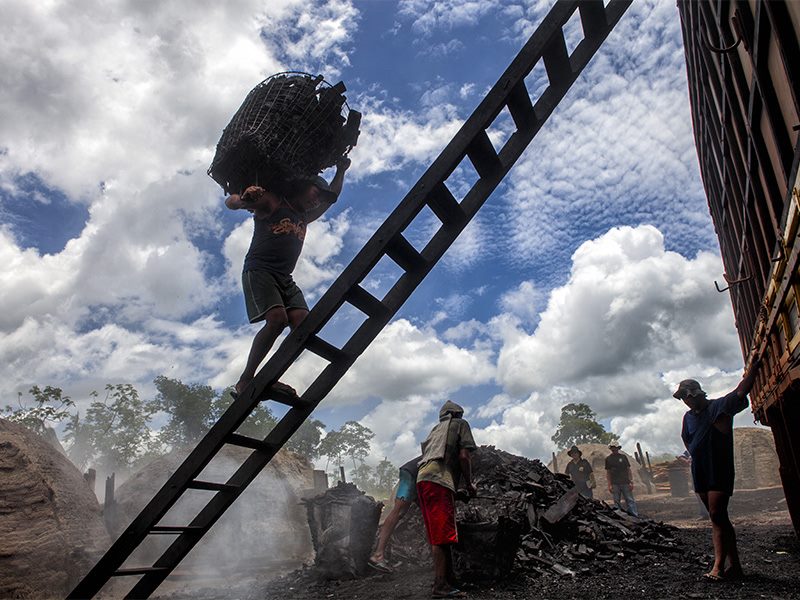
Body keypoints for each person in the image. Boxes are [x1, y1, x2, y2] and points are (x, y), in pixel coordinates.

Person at [225, 158, 351, 398]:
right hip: (260, 270)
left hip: (285, 277)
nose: (317, 199)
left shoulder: (306, 215)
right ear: (303, 187)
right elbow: (231, 202)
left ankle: (270, 379)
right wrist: (243, 198)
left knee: (304, 325)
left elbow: (332, 195)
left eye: (320, 197)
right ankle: (245, 381)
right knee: (277, 319)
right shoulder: (272, 203)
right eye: (316, 192)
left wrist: (341, 171)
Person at [674, 361, 760, 582]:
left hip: (718, 469)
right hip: (700, 469)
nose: (685, 402)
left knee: (717, 514)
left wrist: (755, 367)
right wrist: (694, 454)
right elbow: (686, 437)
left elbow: (742, 390)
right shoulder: (688, 417)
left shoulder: (719, 407)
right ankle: (736, 567)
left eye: (686, 397)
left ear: (694, 394)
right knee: (718, 518)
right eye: (683, 399)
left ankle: (718, 567)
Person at [417, 401, 477, 599]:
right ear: (457, 414)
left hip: (423, 479)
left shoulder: (435, 430)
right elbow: (464, 456)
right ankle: (440, 585)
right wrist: (469, 485)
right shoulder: (461, 424)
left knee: (437, 533)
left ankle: (449, 579)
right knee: (442, 536)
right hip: (438, 481)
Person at [367, 455, 422, 573]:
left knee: (399, 512)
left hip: (410, 472)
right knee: (398, 512)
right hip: (414, 474)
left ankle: (378, 553)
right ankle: (378, 555)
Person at [605, 444, 638, 516]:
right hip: (615, 483)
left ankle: (634, 515)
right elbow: (608, 472)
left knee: (629, 499)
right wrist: (609, 484)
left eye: (615, 448)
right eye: (613, 448)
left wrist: (631, 481)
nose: (614, 449)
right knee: (616, 501)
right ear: (611, 449)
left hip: (625, 482)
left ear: (618, 448)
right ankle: (619, 516)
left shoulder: (623, 457)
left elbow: (628, 469)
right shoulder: (608, 459)